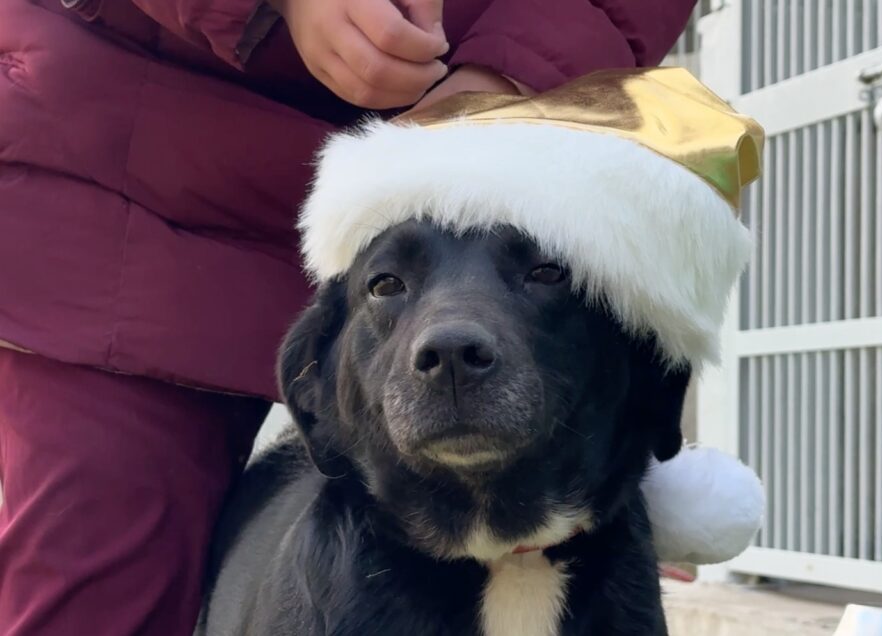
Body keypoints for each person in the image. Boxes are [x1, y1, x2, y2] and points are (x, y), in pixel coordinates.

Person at [0, 1, 694, 633]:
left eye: (544, 275)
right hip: (125, 169)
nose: (449, 346)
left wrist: (516, 67)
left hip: (488, 131)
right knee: (98, 552)